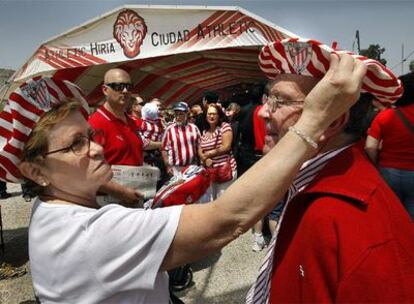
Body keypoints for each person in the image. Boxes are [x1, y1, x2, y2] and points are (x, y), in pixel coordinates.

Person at [0, 48, 365, 302]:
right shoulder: (88, 234)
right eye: (75, 144)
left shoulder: (57, 212)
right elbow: (226, 219)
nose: (94, 149)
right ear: (34, 171)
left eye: (91, 136)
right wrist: (314, 121)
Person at [246, 38, 414, 303]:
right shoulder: (306, 184)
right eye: (270, 97)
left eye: (281, 100)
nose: (263, 113)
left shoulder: (357, 223)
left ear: (332, 120)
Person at [88, 68, 160, 203]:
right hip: (109, 203)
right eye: (118, 86)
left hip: (134, 197)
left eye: (128, 87)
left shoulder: (132, 122)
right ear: (105, 90)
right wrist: (121, 192)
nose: (125, 91)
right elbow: (88, 171)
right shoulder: (95, 123)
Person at [365, 71, 414, 219]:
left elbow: (370, 147)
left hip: (388, 171)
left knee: (393, 211)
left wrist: (376, 165)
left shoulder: (385, 116)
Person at [198, 104, 237, 202]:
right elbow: (200, 148)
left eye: (214, 114)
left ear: (219, 115)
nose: (211, 116)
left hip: (224, 170)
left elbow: (226, 147)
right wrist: (204, 158)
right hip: (211, 172)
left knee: (224, 201)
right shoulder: (204, 132)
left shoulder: (224, 127)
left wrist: (207, 154)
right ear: (206, 116)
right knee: (212, 200)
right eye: (209, 114)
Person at [162, 102, 201, 177]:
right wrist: (168, 166)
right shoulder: (169, 129)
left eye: (181, 114)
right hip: (176, 169)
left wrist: (200, 163)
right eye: (176, 114)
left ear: (187, 114)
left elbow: (199, 146)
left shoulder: (194, 128)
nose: (178, 117)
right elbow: (164, 149)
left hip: (192, 167)